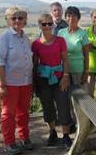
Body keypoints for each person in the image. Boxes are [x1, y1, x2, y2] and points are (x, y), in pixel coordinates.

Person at [0, 7, 33, 155]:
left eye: (20, 18)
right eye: (13, 18)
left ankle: (24, 138)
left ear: (25, 21)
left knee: (23, 112)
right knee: (8, 114)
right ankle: (9, 143)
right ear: (8, 21)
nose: (17, 21)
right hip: (9, 83)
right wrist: (2, 84)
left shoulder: (25, 37)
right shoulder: (4, 38)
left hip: (25, 82)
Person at [32, 14, 73, 149]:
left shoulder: (60, 40)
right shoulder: (36, 44)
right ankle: (52, 132)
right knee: (47, 107)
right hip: (43, 79)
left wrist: (66, 76)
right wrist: (34, 83)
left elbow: (66, 60)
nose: (48, 26)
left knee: (63, 106)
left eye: (50, 24)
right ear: (40, 26)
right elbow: (35, 64)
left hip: (60, 78)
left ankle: (66, 136)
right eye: (45, 24)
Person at [57, 6, 89, 86]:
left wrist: (86, 72)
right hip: (63, 71)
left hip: (78, 71)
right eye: (69, 15)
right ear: (65, 17)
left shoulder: (82, 34)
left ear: (78, 18)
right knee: (65, 95)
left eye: (74, 16)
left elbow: (86, 55)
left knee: (78, 96)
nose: (71, 18)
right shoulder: (61, 33)